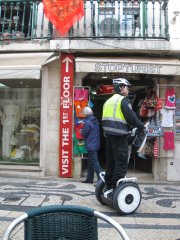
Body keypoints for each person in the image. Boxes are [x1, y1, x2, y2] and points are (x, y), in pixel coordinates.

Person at [102, 78, 145, 198]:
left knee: (111, 163)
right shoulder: (122, 101)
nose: (128, 89)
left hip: (109, 137)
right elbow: (131, 118)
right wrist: (141, 126)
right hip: (120, 136)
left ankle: (108, 186)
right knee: (121, 164)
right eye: (127, 87)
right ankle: (115, 189)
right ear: (121, 87)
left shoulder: (108, 101)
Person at [81, 106, 102, 183]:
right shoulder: (94, 120)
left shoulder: (88, 122)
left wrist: (81, 131)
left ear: (86, 114)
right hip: (95, 143)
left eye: (83, 113)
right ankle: (89, 179)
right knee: (90, 162)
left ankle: (101, 179)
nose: (83, 114)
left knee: (95, 163)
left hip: (91, 144)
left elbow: (84, 133)